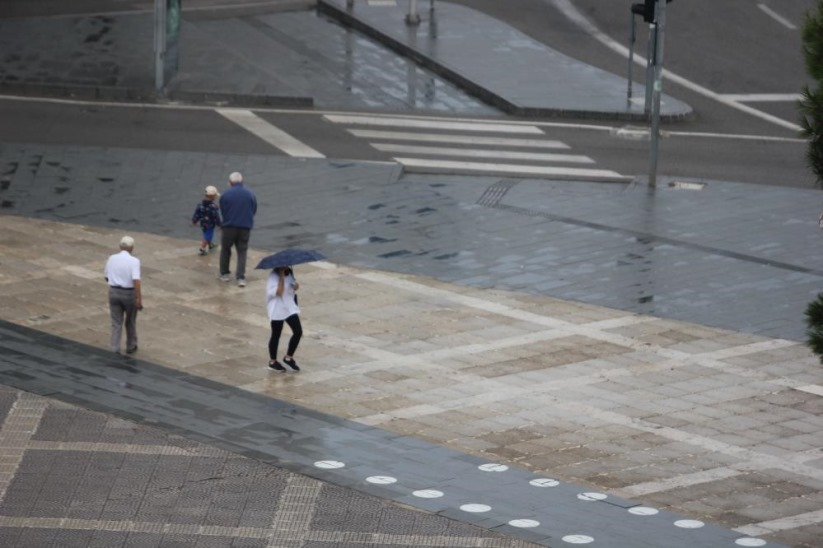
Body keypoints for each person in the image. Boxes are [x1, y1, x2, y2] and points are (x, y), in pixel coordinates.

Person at [104, 235, 143, 354]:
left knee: (116, 322)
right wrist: (139, 298)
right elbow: (136, 280)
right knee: (130, 321)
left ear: (120, 246)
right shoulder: (134, 261)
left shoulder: (111, 258)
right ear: (132, 248)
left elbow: (106, 276)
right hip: (129, 293)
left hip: (114, 292)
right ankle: (130, 345)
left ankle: (115, 347)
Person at [218, 171, 257, 287]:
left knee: (225, 249)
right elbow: (253, 209)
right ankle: (240, 277)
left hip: (229, 226)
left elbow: (223, 210)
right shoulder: (250, 194)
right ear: (242, 181)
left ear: (230, 182)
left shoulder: (226, 194)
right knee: (242, 251)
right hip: (245, 227)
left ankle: (224, 273)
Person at [266, 266, 302, 372]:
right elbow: (279, 292)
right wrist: (281, 277)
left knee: (298, 332)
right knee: (276, 335)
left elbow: (294, 287)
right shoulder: (273, 277)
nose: (286, 267)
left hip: (289, 307)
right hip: (277, 309)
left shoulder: (289, 273)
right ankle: (272, 362)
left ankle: (288, 357)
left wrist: (295, 285)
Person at [192, 185, 222, 255]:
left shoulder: (200, 205)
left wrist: (194, 220)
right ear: (213, 197)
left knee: (206, 234)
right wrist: (219, 224)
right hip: (210, 225)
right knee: (208, 236)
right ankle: (202, 249)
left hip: (203, 224)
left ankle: (210, 245)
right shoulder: (212, 207)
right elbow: (215, 216)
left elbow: (197, 213)